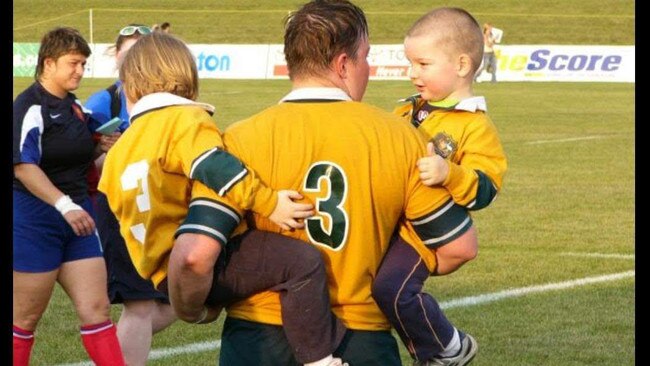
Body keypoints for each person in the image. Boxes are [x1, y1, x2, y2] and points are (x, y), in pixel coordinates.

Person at [168, 1, 478, 365]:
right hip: (360, 339)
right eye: (365, 57)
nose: (368, 68)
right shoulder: (403, 138)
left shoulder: (238, 139)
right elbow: (458, 247)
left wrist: (191, 309)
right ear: (343, 64)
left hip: (257, 340)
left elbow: (195, 256)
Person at [99, 31, 347, 366]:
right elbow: (214, 166)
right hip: (204, 260)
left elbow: (116, 209)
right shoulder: (181, 119)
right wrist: (271, 203)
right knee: (301, 263)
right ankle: (319, 359)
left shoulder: (120, 150)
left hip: (162, 275)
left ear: (129, 87)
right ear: (186, 75)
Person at [372, 7, 508, 365]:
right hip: (384, 226)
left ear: (461, 65)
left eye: (423, 64)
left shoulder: (475, 126)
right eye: (410, 63)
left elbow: (485, 187)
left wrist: (449, 173)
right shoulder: (404, 112)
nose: (412, 73)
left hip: (420, 236)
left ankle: (446, 348)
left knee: (393, 290)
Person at [13, 27, 125, 366]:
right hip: (36, 221)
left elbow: (75, 158)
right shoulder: (29, 106)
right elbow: (22, 166)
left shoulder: (75, 108)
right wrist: (63, 205)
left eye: (84, 65)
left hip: (78, 221)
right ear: (49, 63)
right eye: (73, 63)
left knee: (97, 309)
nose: (80, 71)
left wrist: (99, 146)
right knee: (25, 319)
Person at [84, 24, 176, 366]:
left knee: (179, 300)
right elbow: (82, 159)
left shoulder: (165, 101)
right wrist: (113, 149)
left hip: (158, 208)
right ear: (117, 58)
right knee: (138, 305)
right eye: (127, 54)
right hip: (121, 208)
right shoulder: (104, 100)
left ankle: (111, 348)